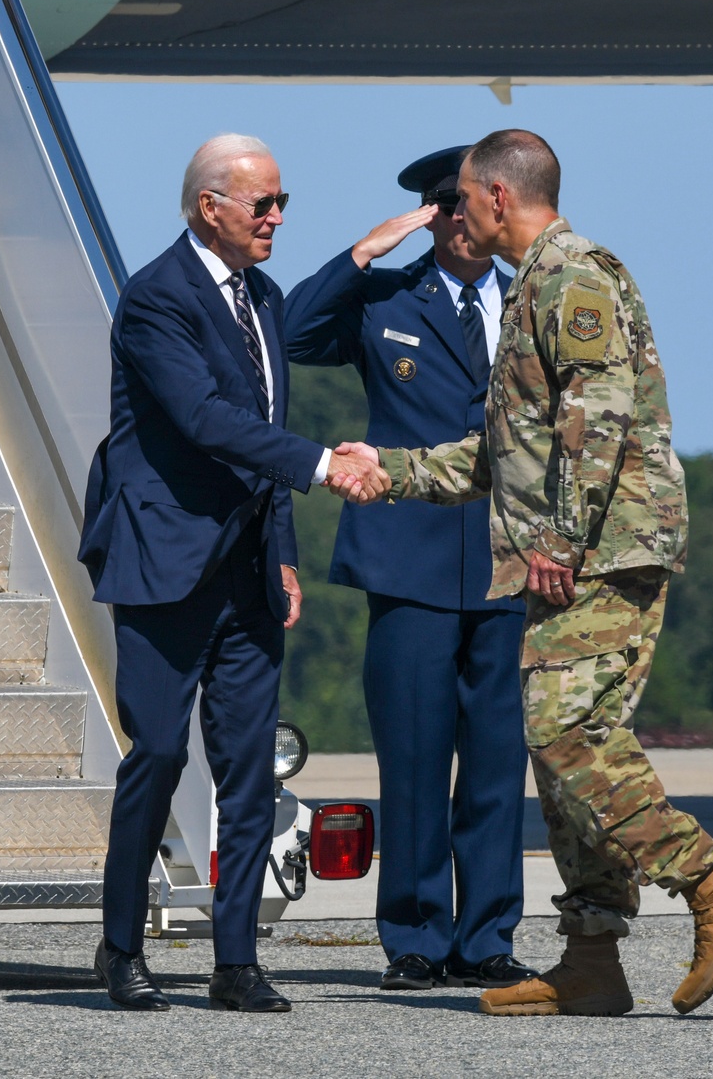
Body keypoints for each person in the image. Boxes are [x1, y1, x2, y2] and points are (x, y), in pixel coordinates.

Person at [332, 129, 713, 1017]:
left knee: (567, 734)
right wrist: (390, 471)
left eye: (462, 197)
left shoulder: (572, 276)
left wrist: (558, 544)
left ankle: (710, 884)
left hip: (605, 551)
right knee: (561, 742)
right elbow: (509, 452)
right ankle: (592, 957)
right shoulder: (532, 284)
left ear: (500, 197)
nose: (454, 213)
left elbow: (599, 426)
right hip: (576, 547)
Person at [78, 133, 387, 1014]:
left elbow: (264, 431)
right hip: (163, 562)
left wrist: (282, 553)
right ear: (210, 207)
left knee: (249, 768)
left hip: (247, 571)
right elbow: (208, 419)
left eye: (283, 202)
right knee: (163, 752)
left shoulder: (265, 299)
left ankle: (237, 960)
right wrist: (326, 466)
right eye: (263, 205)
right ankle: (120, 946)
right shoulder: (156, 299)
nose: (277, 218)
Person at [284, 147, 535, 991]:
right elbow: (293, 333)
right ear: (433, 215)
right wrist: (363, 254)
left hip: (508, 563)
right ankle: (417, 939)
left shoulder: (532, 299)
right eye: (449, 211)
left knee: (498, 765)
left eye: (472, 208)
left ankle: (488, 936)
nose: (466, 224)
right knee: (416, 761)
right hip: (410, 565)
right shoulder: (389, 297)